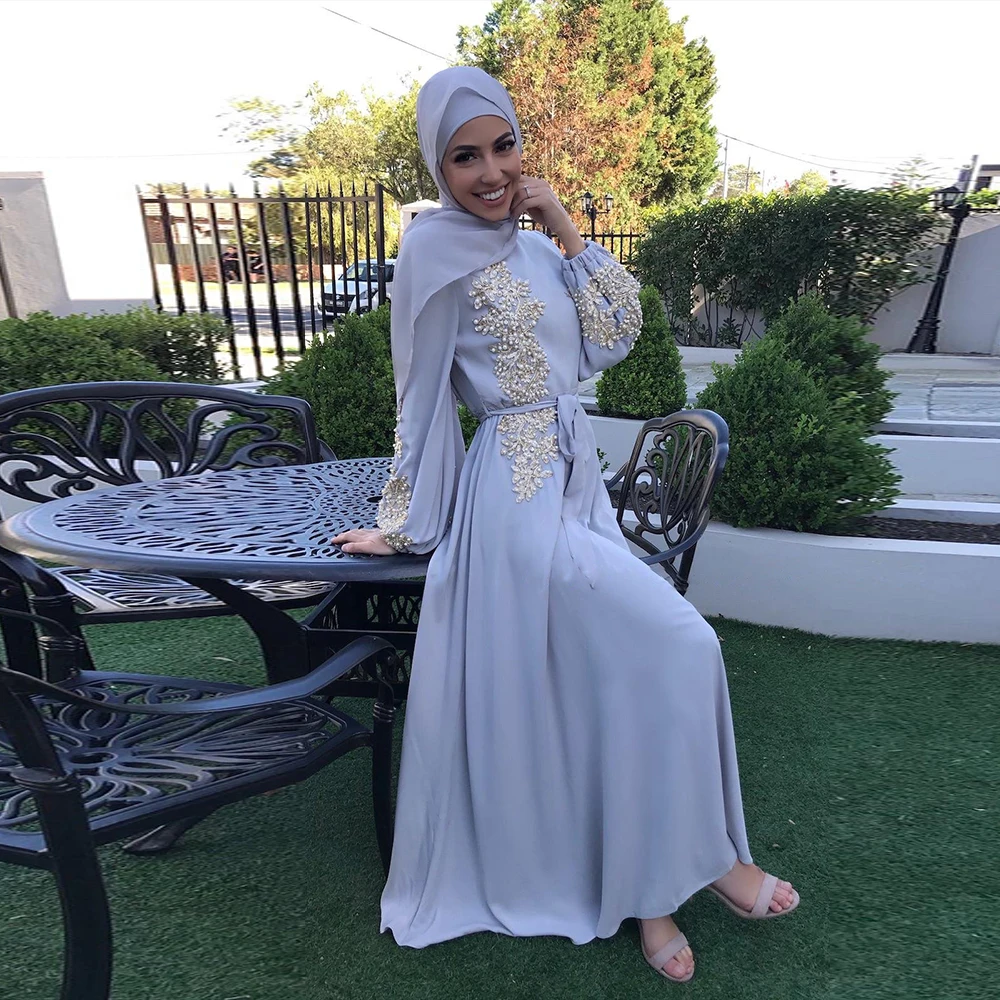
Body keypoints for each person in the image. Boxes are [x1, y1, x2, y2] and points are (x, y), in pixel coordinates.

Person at [332, 66, 798, 984]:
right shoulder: (431, 251)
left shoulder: (540, 249)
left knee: (631, 671)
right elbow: (419, 396)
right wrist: (405, 521)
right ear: (436, 167)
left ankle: (662, 892)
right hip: (513, 506)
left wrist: (568, 230)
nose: (491, 171)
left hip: (577, 486)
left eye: (502, 146)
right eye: (464, 157)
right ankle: (705, 869)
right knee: (680, 642)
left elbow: (613, 337)